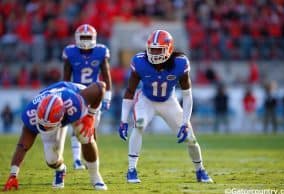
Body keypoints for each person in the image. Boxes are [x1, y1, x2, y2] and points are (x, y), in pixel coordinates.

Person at [118, 30, 213, 183]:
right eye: (152, 49)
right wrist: (123, 120)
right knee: (139, 125)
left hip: (169, 102)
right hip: (146, 101)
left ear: (169, 49)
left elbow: (187, 95)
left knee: (191, 139)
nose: (154, 53)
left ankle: (200, 170)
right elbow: (129, 91)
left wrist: (185, 122)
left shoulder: (180, 63)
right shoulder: (139, 61)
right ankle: (131, 170)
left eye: (158, 50)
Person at [3, 81, 108, 191]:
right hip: (60, 106)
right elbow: (22, 146)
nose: (45, 128)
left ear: (61, 118)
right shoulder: (31, 114)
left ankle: (95, 177)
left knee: (85, 135)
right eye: (43, 124)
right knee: (51, 159)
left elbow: (100, 87)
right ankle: (60, 170)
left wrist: (90, 115)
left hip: (76, 100)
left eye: (48, 126)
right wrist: (13, 175)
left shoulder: (75, 102)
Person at [62, 24, 112, 170]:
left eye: (88, 37)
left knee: (92, 128)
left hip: (95, 93)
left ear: (94, 38)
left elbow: (106, 75)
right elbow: (65, 78)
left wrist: (107, 97)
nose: (85, 40)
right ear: (77, 38)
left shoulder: (101, 51)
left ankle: (90, 158)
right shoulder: (70, 52)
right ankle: (77, 160)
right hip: (78, 93)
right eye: (82, 37)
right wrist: (66, 96)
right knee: (77, 127)